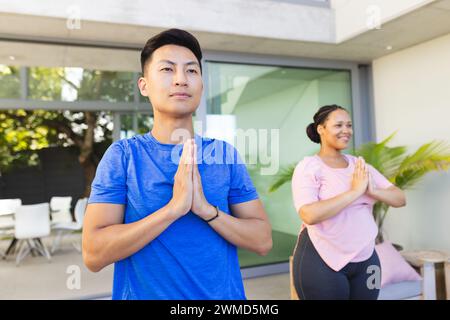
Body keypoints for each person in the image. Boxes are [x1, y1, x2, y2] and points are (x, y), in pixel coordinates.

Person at [82, 28, 272, 300]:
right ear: (144, 86)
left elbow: (263, 240)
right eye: (168, 70)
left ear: (201, 85)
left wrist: (207, 210)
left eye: (192, 71)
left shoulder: (224, 154)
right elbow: (93, 254)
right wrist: (173, 209)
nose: (181, 80)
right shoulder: (123, 156)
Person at [291, 104, 406, 300]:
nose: (346, 130)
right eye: (338, 125)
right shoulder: (308, 167)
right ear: (321, 129)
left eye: (349, 125)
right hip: (322, 259)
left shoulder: (359, 165)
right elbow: (309, 214)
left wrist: (373, 190)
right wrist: (355, 192)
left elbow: (399, 198)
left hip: (367, 259)